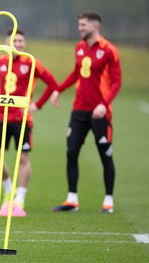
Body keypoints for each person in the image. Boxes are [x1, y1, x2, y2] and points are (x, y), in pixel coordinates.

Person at [52, 11, 121, 213]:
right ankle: (72, 199)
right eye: (79, 24)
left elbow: (117, 82)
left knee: (105, 156)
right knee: (71, 152)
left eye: (83, 25)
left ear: (95, 26)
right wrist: (58, 90)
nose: (80, 28)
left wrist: (105, 104)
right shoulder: (80, 48)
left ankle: (108, 200)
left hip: (100, 113)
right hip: (79, 111)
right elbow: (76, 73)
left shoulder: (109, 50)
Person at [0, 30, 58, 217]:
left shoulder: (31, 62)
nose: (17, 44)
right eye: (13, 41)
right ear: (6, 44)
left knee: (23, 158)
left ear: (24, 43)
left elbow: (52, 83)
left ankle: (20, 197)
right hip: (1, 117)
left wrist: (37, 105)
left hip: (22, 120)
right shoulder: (0, 62)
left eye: (20, 41)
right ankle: (8, 190)